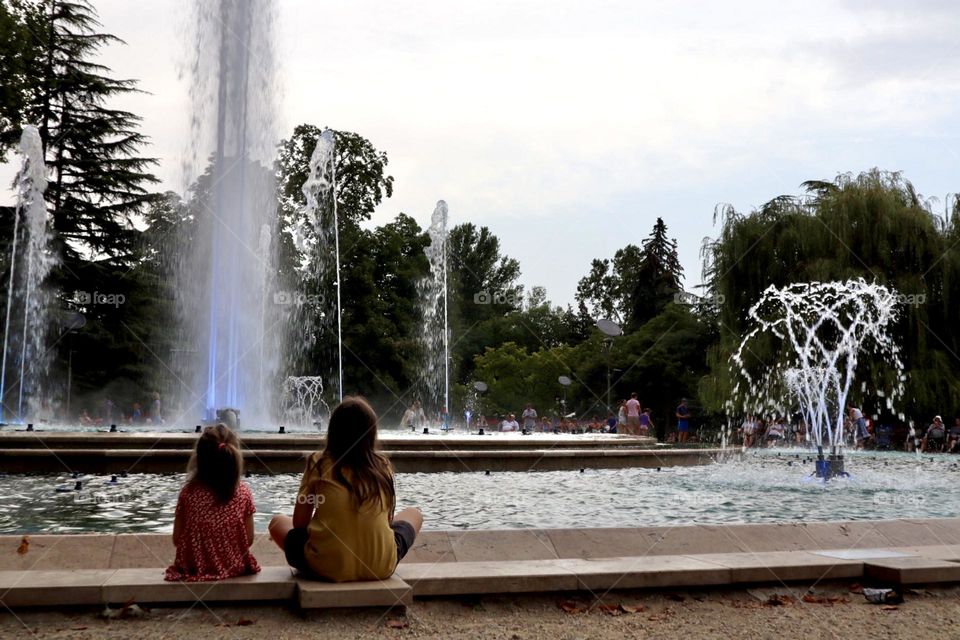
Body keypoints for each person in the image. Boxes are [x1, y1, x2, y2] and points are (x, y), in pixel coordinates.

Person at [268, 397, 422, 582]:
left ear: (332, 431)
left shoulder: (318, 463)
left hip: (325, 568)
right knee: (414, 513)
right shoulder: (382, 466)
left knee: (277, 523)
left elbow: (299, 524)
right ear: (371, 434)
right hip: (381, 567)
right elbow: (388, 521)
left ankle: (328, 555)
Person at [165, 424, 259, 582]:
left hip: (194, 567)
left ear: (199, 459)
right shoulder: (243, 493)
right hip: (235, 566)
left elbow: (177, 539)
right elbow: (248, 539)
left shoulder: (188, 493)